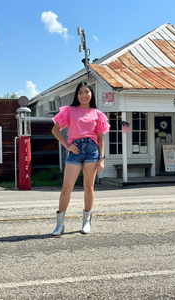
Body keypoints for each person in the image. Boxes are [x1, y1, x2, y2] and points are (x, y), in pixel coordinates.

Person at [51, 82, 110, 236]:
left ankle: (86, 222)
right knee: (66, 187)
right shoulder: (70, 110)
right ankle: (60, 224)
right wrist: (67, 145)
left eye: (86, 92)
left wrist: (102, 158)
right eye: (80, 93)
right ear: (76, 95)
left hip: (92, 150)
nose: (84, 95)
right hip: (75, 149)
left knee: (88, 186)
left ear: (91, 94)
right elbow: (55, 130)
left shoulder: (97, 113)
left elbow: (101, 138)